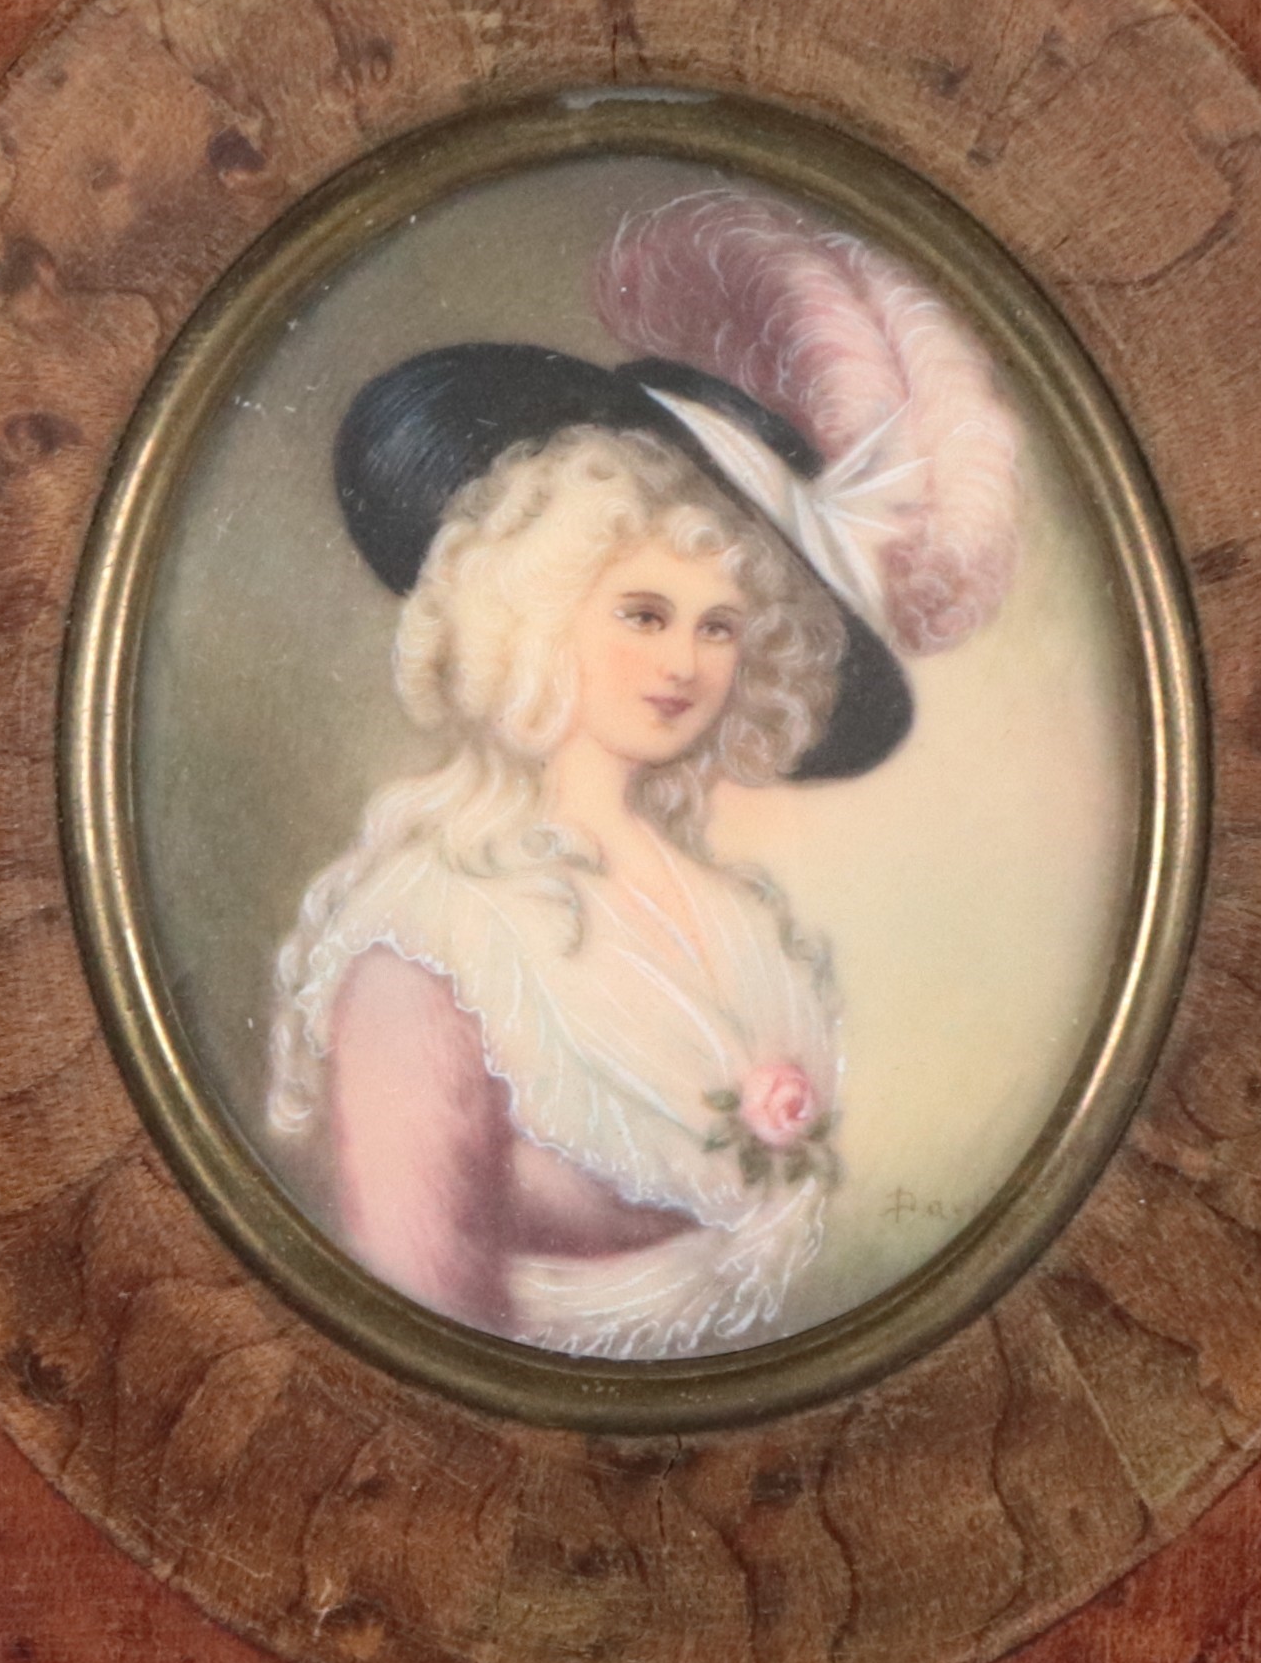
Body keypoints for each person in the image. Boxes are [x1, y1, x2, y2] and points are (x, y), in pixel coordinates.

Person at [266, 191, 1022, 1361]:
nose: (683, 664)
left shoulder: (739, 916)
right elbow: (419, 1336)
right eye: (642, 612)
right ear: (535, 606)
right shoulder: (433, 944)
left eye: (719, 627)